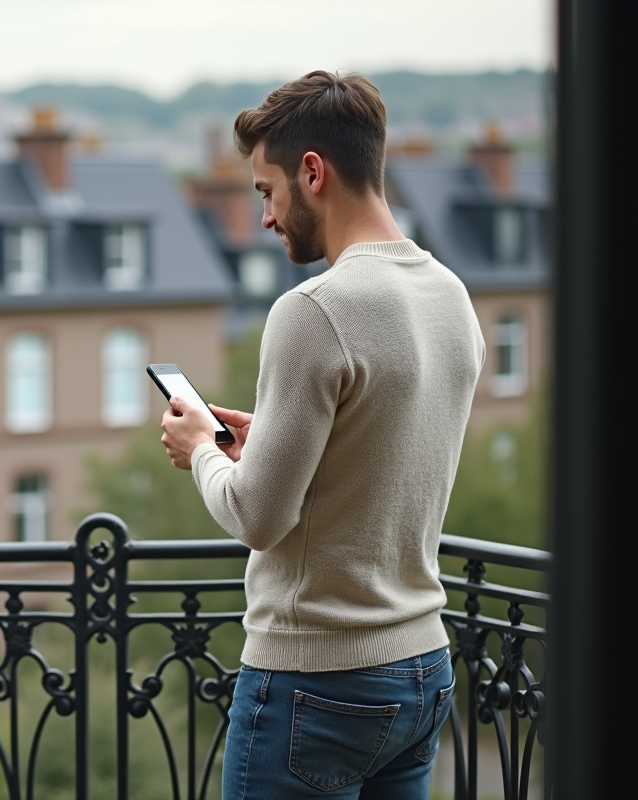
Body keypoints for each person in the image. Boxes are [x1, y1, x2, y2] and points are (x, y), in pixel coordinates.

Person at [159, 71, 485, 800]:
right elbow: (378, 457)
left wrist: (202, 450)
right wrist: (266, 442)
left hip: (316, 681)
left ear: (313, 172)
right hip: (423, 669)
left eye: (266, 192)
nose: (266, 218)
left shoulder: (313, 309)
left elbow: (257, 516)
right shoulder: (451, 296)